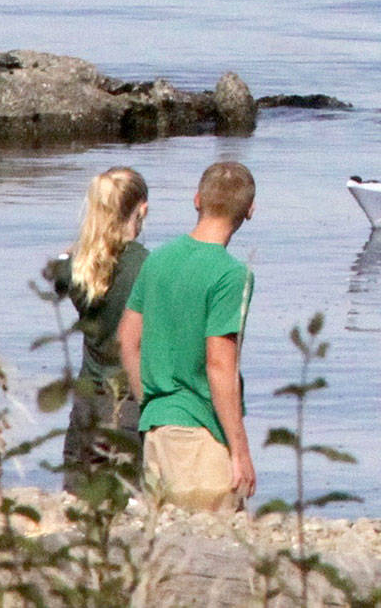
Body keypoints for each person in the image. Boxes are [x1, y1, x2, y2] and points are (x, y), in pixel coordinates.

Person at [119, 161, 256, 513]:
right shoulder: (231, 275)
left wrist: (149, 401)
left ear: (197, 200)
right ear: (250, 211)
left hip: (156, 428)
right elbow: (219, 365)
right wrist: (240, 452)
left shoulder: (158, 260)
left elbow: (128, 340)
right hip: (201, 434)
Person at [48, 168, 150, 490]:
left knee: (79, 494)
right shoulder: (148, 266)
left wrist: (75, 248)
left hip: (88, 397)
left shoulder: (73, 268)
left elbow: (59, 269)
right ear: (142, 209)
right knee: (129, 496)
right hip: (130, 399)